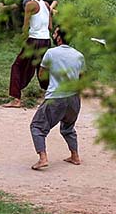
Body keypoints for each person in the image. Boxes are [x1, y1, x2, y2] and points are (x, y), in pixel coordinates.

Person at [30, 27, 85, 170]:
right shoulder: (79, 55)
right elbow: (82, 78)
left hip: (56, 97)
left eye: (55, 33)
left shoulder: (51, 53)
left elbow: (42, 74)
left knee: (37, 126)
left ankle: (43, 158)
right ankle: (75, 156)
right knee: (68, 128)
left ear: (59, 38)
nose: (53, 34)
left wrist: (46, 86)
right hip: (74, 98)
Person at [4, 0, 52, 108]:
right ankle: (51, 95)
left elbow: (25, 28)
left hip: (34, 40)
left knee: (17, 66)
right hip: (46, 40)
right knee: (42, 68)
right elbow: (50, 26)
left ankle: (16, 98)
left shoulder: (30, 5)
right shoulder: (46, 4)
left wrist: (21, 38)